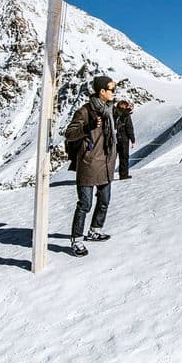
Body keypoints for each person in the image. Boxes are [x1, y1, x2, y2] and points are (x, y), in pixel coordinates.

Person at [64, 75, 117, 257]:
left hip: (107, 162)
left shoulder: (110, 110)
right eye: (112, 89)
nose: (114, 93)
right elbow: (69, 133)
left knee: (104, 201)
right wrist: (88, 127)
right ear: (102, 91)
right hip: (89, 163)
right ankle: (76, 239)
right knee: (85, 204)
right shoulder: (85, 111)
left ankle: (95, 230)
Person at [113, 100, 136, 179]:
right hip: (123, 139)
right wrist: (133, 140)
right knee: (124, 157)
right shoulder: (126, 115)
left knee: (112, 158)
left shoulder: (113, 114)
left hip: (113, 139)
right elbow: (129, 128)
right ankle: (123, 175)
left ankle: (106, 175)